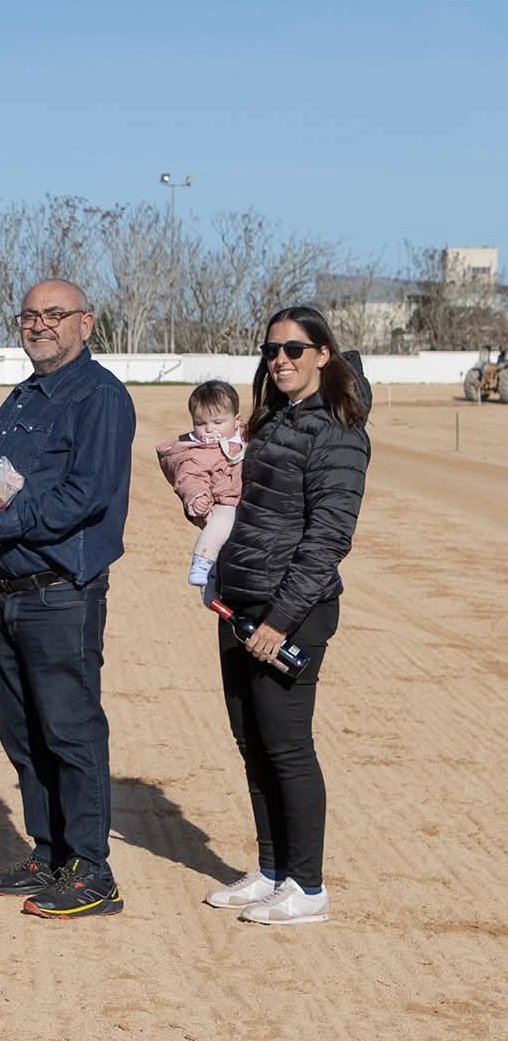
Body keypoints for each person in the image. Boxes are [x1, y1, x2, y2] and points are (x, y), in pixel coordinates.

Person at [0, 278, 135, 918]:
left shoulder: (101, 397)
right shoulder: (23, 398)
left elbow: (85, 495)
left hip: (63, 591)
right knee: (23, 732)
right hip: (10, 588)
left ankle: (93, 871)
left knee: (70, 731)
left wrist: (0, 526)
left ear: (86, 323)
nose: (39, 325)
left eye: (54, 315)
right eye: (29, 315)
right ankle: (51, 853)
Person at [202, 307, 370, 926]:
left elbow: (328, 538)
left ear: (325, 354)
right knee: (252, 744)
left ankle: (310, 887)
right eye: (273, 350)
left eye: (296, 350)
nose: (281, 361)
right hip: (240, 602)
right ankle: (273, 871)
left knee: (288, 747)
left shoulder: (339, 430)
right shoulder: (274, 420)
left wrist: (280, 620)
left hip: (290, 612)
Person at [156, 380, 244, 592]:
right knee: (223, 520)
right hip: (224, 502)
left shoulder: (247, 438)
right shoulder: (196, 451)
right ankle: (203, 562)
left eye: (217, 422)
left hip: (247, 502)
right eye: (201, 423)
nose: (209, 430)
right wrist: (196, 497)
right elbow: (189, 477)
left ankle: (213, 580)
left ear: (237, 421)